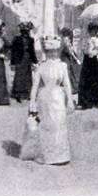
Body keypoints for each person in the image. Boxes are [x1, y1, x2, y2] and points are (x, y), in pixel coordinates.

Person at [27, 36, 75, 165]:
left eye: (54, 51)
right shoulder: (41, 67)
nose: (52, 54)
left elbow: (67, 84)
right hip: (44, 99)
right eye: (49, 51)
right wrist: (32, 101)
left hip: (58, 98)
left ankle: (60, 156)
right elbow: (35, 85)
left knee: (58, 124)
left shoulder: (62, 66)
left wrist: (70, 100)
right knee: (46, 126)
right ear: (46, 52)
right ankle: (46, 155)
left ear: (58, 51)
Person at [10, 22, 37, 103]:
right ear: (21, 32)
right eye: (24, 32)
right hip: (19, 59)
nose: (26, 33)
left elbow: (32, 51)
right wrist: (13, 62)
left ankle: (26, 93)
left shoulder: (31, 40)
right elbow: (13, 51)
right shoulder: (17, 39)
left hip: (27, 59)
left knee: (27, 76)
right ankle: (17, 93)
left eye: (27, 31)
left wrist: (35, 61)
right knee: (19, 75)